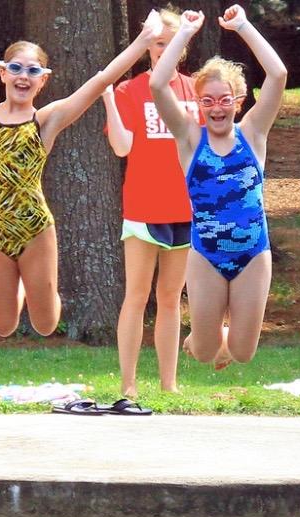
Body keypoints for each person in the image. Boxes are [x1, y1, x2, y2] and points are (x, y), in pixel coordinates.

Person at [0, 0, 163, 337]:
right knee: (3, 325)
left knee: (45, 324)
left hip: (34, 228)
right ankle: (20, 282)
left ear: (43, 80)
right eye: (16, 68)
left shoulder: (46, 120)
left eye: (32, 71)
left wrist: (142, 43)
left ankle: (42, 286)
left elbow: (101, 81)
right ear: (2, 73)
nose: (23, 76)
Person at [149, 5, 287, 368]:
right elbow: (157, 84)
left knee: (242, 353)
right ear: (199, 105)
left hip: (253, 254)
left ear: (238, 102)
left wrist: (242, 26)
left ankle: (221, 334)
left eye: (224, 99)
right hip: (206, 254)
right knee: (206, 352)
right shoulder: (190, 139)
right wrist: (184, 34)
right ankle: (202, 336)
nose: (216, 108)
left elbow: (278, 74)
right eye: (207, 100)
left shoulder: (254, 133)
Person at [100, 7, 201, 397]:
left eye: (171, 43)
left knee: (172, 299)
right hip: (143, 209)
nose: (164, 50)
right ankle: (128, 385)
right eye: (158, 43)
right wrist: (108, 98)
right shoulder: (131, 90)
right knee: (137, 296)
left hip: (186, 211)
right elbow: (122, 147)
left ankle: (169, 384)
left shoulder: (195, 91)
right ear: (148, 48)